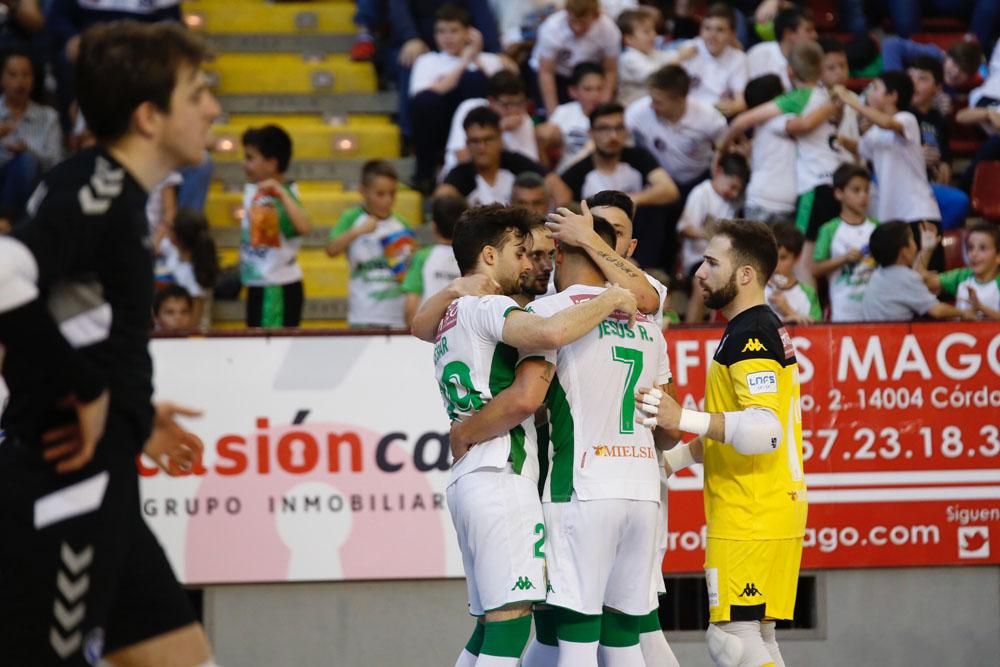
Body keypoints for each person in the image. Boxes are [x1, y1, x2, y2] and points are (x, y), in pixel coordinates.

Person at [0, 20, 219, 666]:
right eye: (198, 92)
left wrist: (133, 411)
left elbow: (73, 313)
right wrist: (90, 389)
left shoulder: (112, 193)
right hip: (65, 489)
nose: (213, 108)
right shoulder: (97, 191)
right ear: (150, 116)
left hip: (110, 489)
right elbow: (6, 271)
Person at [421, 204, 638, 667]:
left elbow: (418, 324)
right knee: (512, 623)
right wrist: (609, 298)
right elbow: (550, 332)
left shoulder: (449, 314)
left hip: (470, 479)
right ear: (488, 256)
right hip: (502, 474)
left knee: (487, 628)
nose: (529, 264)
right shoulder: (491, 306)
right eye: (520, 253)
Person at [637, 219, 807, 667]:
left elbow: (764, 430)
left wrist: (681, 417)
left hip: (750, 511)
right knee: (757, 639)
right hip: (770, 506)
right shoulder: (757, 327)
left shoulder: (751, 335)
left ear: (745, 274)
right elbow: (736, 428)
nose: (699, 272)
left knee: (731, 640)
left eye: (712, 262)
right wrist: (672, 460)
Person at [723, 41, 853, 283]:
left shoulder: (797, 100)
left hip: (814, 184)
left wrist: (720, 153)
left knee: (800, 263)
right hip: (836, 182)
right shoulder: (828, 97)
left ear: (791, 72)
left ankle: (810, 317)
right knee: (821, 258)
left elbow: (742, 122)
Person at [625, 64, 727, 269]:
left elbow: (723, 147)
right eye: (651, 98)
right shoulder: (637, 113)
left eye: (658, 102)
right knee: (654, 227)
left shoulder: (709, 119)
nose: (652, 106)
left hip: (695, 180)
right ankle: (654, 272)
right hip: (659, 181)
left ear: (680, 99)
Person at [409, 4, 508, 186]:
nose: (447, 37)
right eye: (441, 31)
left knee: (474, 80)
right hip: (440, 125)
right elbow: (427, 97)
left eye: (453, 31)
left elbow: (502, 94)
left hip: (481, 123)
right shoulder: (427, 61)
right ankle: (426, 173)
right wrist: (464, 61)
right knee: (426, 100)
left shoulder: (489, 60)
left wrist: (476, 57)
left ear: (468, 33)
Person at [834, 72, 942, 232]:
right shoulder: (875, 132)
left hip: (918, 213)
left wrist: (851, 101)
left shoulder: (907, 118)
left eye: (875, 88)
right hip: (891, 217)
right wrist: (842, 139)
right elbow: (860, 148)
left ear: (892, 96)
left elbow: (888, 123)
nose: (869, 92)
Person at [327, 159, 415, 329]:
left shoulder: (402, 224)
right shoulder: (352, 218)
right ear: (363, 191)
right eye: (380, 194)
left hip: (396, 316)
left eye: (392, 193)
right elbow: (331, 249)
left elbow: (409, 270)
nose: (387, 200)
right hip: (363, 315)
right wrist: (357, 231)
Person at [239, 124, 311, 328]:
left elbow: (304, 227)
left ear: (271, 163)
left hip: (276, 287)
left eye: (250, 158)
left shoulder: (284, 195)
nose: (244, 164)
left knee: (270, 352)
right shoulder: (255, 193)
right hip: (259, 284)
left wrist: (281, 194)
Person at [556, 102, 679, 207]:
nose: (613, 136)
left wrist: (632, 200)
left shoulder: (638, 157)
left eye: (619, 128)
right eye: (604, 129)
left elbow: (669, 190)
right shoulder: (578, 171)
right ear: (591, 133)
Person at [436, 107, 564, 206]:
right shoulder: (460, 174)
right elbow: (441, 200)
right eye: (475, 141)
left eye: (488, 139)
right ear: (467, 143)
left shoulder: (516, 163)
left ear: (500, 138)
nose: (482, 147)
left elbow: (558, 188)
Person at [679, 153, 748, 323]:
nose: (734, 193)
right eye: (732, 186)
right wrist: (714, 235)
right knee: (701, 282)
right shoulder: (701, 193)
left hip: (723, 260)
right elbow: (684, 228)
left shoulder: (732, 201)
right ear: (719, 172)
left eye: (738, 190)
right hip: (698, 259)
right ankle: (692, 330)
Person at [861, 220, 974, 322]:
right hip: (895, 339)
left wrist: (927, 249)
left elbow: (915, 278)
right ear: (904, 252)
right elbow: (937, 311)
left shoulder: (879, 273)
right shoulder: (905, 278)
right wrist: (963, 313)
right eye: (912, 239)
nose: (916, 244)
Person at [907, 56, 970, 231]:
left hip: (930, 184)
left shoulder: (938, 120)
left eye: (922, 78)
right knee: (959, 201)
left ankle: (930, 242)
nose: (914, 83)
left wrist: (945, 166)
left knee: (957, 203)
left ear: (938, 88)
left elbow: (945, 153)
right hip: (906, 182)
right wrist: (916, 155)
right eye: (911, 77)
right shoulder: (901, 114)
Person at [529, 0, 620, 117]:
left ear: (596, 16)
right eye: (573, 21)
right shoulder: (552, 28)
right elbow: (546, 72)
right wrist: (553, 114)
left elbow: (610, 70)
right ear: (566, 13)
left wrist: (604, 105)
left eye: (583, 23)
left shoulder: (609, 30)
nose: (577, 28)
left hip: (588, 71)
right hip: (556, 74)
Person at [812, 164, 879, 323]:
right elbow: (815, 269)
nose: (863, 196)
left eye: (866, 190)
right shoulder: (829, 230)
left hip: (877, 313)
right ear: (839, 193)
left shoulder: (877, 227)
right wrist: (843, 259)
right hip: (843, 315)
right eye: (856, 190)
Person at [0, 48, 63, 215]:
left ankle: (9, 220)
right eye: (13, 74)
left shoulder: (49, 117)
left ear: (34, 79)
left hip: (34, 188)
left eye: (25, 74)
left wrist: (29, 151)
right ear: (2, 78)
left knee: (26, 161)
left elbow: (56, 163)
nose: (19, 81)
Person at [443, 70, 538, 179]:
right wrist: (498, 129)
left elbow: (531, 168)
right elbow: (462, 157)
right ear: (491, 101)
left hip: (506, 185)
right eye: (507, 105)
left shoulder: (524, 119)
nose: (514, 111)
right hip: (465, 179)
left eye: (518, 104)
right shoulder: (469, 108)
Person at [402, 194, 464, 326]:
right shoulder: (471, 257)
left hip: (428, 335)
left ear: (434, 227)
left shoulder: (422, 257)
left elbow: (411, 307)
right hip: (461, 333)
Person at [741, 74, 796, 223]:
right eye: (784, 92)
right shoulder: (778, 121)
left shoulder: (759, 127)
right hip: (772, 203)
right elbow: (806, 123)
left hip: (761, 198)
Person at [679, 3, 748, 117]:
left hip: (715, 114)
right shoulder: (688, 49)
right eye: (707, 28)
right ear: (700, 30)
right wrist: (678, 59)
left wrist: (733, 107)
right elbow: (664, 85)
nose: (712, 36)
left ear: (732, 34)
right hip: (684, 111)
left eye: (720, 30)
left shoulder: (739, 58)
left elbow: (740, 102)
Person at [536, 62, 608, 172]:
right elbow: (546, 138)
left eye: (599, 88)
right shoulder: (563, 112)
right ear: (573, 91)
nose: (595, 95)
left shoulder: (612, 114)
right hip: (567, 172)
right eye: (588, 89)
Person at [922, 221, 1000, 320]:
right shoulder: (962, 276)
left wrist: (981, 308)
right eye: (970, 248)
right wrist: (926, 250)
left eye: (982, 248)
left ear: (998, 256)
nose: (974, 254)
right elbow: (922, 283)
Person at [617, 9, 695, 107]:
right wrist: (680, 57)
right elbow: (657, 78)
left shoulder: (651, 53)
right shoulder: (628, 58)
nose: (653, 35)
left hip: (651, 107)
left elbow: (669, 55)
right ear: (629, 39)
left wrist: (684, 50)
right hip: (631, 107)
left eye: (653, 30)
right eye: (646, 32)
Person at [167, 208, 218, 331]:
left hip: (193, 339)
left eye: (171, 228)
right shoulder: (173, 254)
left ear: (175, 237)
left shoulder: (195, 276)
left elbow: (194, 322)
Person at [746, 6, 817, 91]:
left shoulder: (813, 57)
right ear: (789, 33)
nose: (815, 35)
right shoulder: (759, 54)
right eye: (809, 30)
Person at [766, 222, 821, 323]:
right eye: (771, 256)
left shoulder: (808, 293)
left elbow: (817, 332)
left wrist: (788, 311)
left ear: (797, 257)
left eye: (783, 258)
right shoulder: (755, 290)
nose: (776, 263)